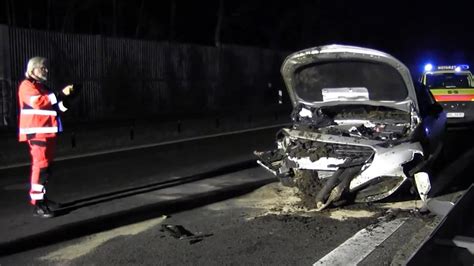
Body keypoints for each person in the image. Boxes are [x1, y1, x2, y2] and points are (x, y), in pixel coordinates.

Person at [17, 56, 74, 218]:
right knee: (41, 167)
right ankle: (38, 205)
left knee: (46, 168)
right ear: (33, 69)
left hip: (48, 131)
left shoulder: (43, 87)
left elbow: (56, 109)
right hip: (37, 133)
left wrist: (68, 100)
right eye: (43, 68)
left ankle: (42, 198)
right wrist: (60, 94)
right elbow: (38, 103)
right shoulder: (26, 85)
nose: (46, 70)